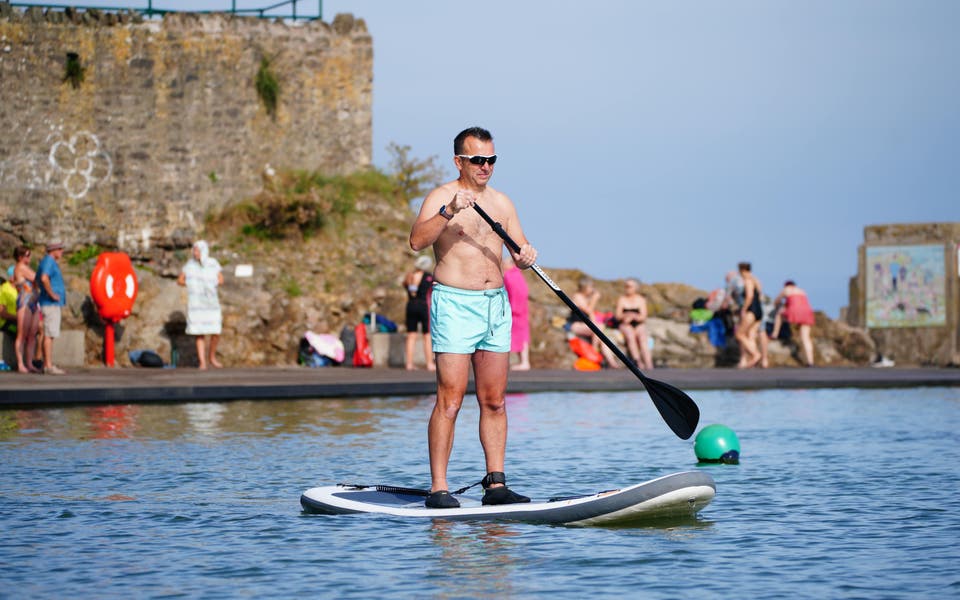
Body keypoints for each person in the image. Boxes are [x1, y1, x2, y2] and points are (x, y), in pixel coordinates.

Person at [409, 126, 536, 509]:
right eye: (477, 160)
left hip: (494, 305)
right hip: (454, 304)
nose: (485, 166)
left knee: (495, 401)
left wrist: (526, 255)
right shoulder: (442, 196)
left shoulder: (502, 202)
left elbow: (518, 251)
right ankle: (439, 488)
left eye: (491, 160)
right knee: (449, 400)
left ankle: (495, 485)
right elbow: (416, 240)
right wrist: (449, 212)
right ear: (459, 161)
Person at [177, 240, 224, 370]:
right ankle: (202, 362)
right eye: (194, 250)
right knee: (199, 332)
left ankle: (212, 357)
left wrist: (209, 283)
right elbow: (180, 280)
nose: (195, 253)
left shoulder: (213, 264)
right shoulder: (189, 265)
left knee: (216, 330)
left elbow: (220, 279)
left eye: (197, 250)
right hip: (196, 302)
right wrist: (193, 284)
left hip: (211, 302)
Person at [566, 276, 620, 368]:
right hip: (575, 325)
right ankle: (594, 351)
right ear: (585, 287)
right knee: (599, 328)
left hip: (585, 325)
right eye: (591, 287)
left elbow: (591, 316)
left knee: (603, 340)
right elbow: (588, 310)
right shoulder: (577, 296)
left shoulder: (586, 298)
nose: (592, 290)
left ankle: (612, 363)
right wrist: (594, 299)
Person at [35, 240, 67, 375]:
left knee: (48, 334)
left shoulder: (45, 261)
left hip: (47, 303)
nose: (62, 251)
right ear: (53, 250)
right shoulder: (49, 261)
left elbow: (37, 279)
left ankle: (45, 364)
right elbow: (43, 278)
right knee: (49, 335)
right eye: (59, 249)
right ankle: (48, 365)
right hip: (50, 304)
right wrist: (52, 294)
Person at [402, 254, 436, 371]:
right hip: (423, 307)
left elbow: (407, 287)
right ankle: (429, 363)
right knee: (427, 335)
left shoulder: (409, 276)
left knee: (411, 335)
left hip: (411, 306)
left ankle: (409, 363)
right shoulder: (428, 277)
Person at [772, 280, 816, 367]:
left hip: (794, 311)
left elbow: (776, 301)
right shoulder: (802, 291)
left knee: (779, 315)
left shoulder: (787, 289)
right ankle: (810, 361)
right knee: (805, 337)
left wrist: (778, 305)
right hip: (807, 312)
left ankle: (775, 333)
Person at [12, 247, 41, 373]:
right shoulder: (20, 267)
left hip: (33, 301)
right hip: (25, 301)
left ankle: (29, 363)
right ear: (20, 257)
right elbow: (37, 278)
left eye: (29, 255)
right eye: (26, 255)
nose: (29, 258)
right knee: (22, 334)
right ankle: (20, 364)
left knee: (32, 334)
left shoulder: (26, 267)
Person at [614, 278, 653, 370]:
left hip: (638, 323)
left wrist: (633, 316)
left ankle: (649, 364)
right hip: (625, 324)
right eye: (626, 286)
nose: (627, 288)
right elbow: (618, 316)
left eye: (629, 286)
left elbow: (643, 316)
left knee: (643, 338)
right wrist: (626, 316)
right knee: (630, 336)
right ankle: (638, 362)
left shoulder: (641, 300)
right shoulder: (622, 299)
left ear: (636, 288)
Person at [502, 255, 531, 370]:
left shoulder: (510, 275)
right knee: (521, 335)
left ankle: (524, 362)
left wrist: (512, 308)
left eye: (505, 263)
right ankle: (523, 361)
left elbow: (516, 292)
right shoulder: (517, 274)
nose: (503, 265)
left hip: (515, 311)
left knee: (518, 335)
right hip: (520, 310)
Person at [734, 261, 763, 369]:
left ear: (742, 270)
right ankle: (753, 359)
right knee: (751, 334)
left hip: (751, 310)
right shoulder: (756, 280)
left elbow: (750, 296)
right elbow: (759, 295)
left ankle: (755, 354)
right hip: (759, 310)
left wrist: (744, 309)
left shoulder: (747, 280)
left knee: (739, 334)